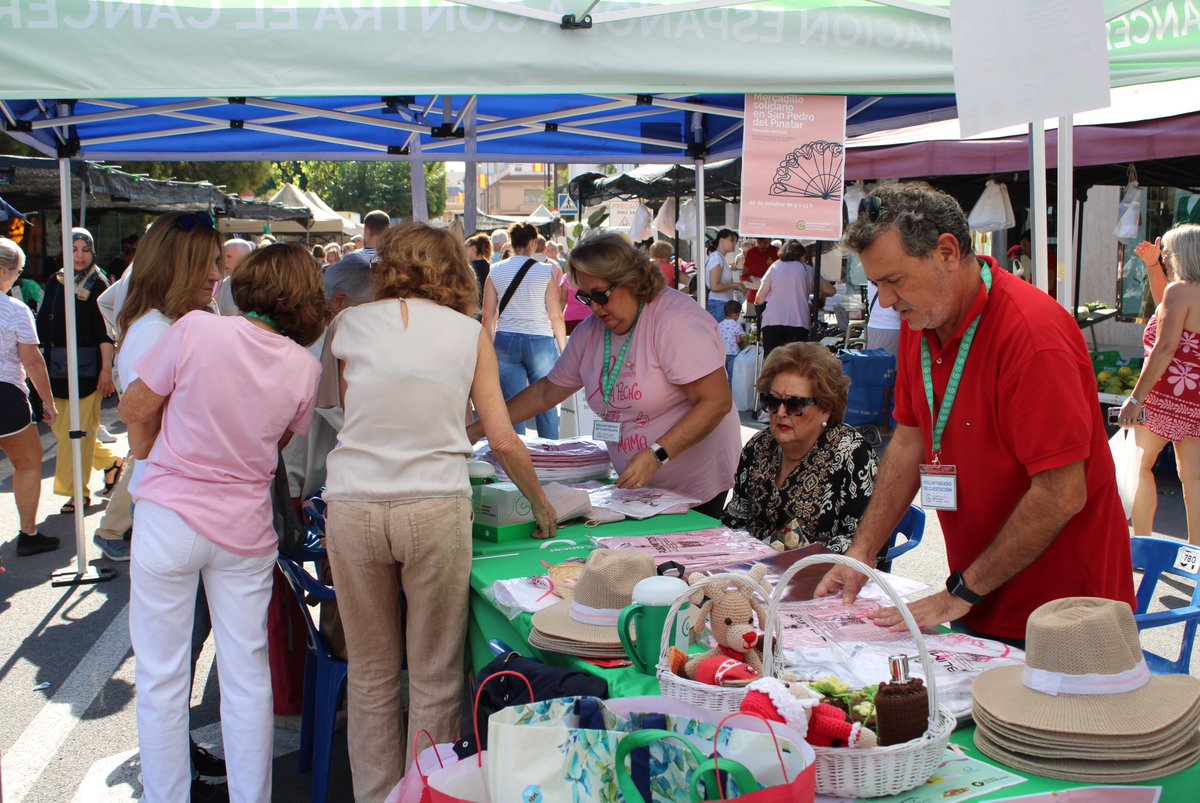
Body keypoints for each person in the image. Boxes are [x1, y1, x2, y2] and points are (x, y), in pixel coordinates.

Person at [815, 182, 1135, 645]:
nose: (885, 301)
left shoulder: (1032, 335)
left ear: (947, 252)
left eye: (895, 280)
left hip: (1067, 620)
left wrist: (960, 592)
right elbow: (909, 441)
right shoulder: (922, 320)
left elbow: (1062, 494)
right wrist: (861, 554)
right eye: (877, 284)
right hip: (979, 600)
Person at [319, 222, 556, 801]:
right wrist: (541, 502)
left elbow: (354, 416)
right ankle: (423, 792)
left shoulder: (348, 323)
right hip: (433, 503)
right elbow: (502, 439)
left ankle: (374, 795)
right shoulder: (465, 331)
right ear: (454, 270)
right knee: (434, 673)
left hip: (353, 502)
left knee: (372, 673)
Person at [119, 242, 326, 803]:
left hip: (170, 514)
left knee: (162, 679)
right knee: (246, 677)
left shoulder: (196, 330)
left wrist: (154, 447)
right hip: (246, 529)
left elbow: (135, 409)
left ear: (246, 283)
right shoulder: (305, 368)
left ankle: (168, 795)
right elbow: (277, 441)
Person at [474, 231, 741, 518]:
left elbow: (715, 402)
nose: (595, 307)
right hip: (636, 488)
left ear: (631, 280)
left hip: (694, 484)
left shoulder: (675, 319)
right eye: (586, 298)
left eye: (601, 295)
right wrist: (479, 429)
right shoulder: (591, 332)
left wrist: (657, 454)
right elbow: (546, 392)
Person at [93, 212, 224, 563]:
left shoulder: (180, 322)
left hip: (192, 506)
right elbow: (144, 441)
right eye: (201, 264)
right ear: (169, 266)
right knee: (178, 619)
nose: (215, 274)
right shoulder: (156, 330)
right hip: (174, 510)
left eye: (216, 261)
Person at [723, 342, 877, 553]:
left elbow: (862, 543)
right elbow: (735, 518)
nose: (781, 412)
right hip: (751, 573)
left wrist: (779, 553)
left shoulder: (854, 455)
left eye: (794, 404)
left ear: (826, 408)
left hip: (821, 577)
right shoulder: (758, 446)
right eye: (772, 401)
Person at [1120, 224, 1200, 546]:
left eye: (1166, 251)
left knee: (1140, 466)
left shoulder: (1178, 291)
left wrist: (1136, 399)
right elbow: (1165, 307)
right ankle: (1195, 557)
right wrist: (1153, 266)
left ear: (1181, 253)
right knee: (1193, 478)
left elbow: (1165, 348)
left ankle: (1143, 543)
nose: (1164, 255)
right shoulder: (1181, 292)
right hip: (1195, 398)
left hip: (1165, 394)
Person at [36, 227, 121, 514]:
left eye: (85, 249)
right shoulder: (56, 280)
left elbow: (104, 333)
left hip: (87, 372)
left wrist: (106, 370)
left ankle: (78, 493)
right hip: (57, 370)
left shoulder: (97, 284)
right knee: (65, 431)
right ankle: (111, 462)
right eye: (74, 249)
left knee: (80, 434)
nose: (80, 255)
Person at [0, 237, 59, 556]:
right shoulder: (14, 309)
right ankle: (28, 532)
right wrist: (47, 403)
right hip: (5, 393)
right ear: (3, 272)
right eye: (17, 271)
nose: (17, 277)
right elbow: (32, 361)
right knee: (27, 463)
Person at [482, 221, 566, 438]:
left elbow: (488, 316)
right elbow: (555, 314)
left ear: (511, 242)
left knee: (513, 405)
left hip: (505, 340)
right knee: (546, 401)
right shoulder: (545, 271)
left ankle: (516, 456)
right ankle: (550, 455)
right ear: (532, 242)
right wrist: (563, 346)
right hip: (540, 340)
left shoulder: (495, 270)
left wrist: (486, 347)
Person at [758, 239, 835, 357]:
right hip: (798, 321)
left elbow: (759, 298)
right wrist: (819, 296)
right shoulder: (807, 269)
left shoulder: (774, 267)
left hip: (772, 321)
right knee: (794, 363)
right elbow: (831, 290)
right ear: (803, 255)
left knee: (772, 362)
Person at [705, 228, 741, 322]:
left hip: (722, 304)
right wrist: (735, 285)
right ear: (721, 239)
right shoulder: (716, 258)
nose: (734, 244)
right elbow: (715, 287)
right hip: (718, 304)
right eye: (731, 240)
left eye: (736, 241)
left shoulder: (719, 258)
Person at [741, 237, 778, 314]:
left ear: (770, 241)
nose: (762, 245)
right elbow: (745, 270)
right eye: (759, 242)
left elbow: (781, 272)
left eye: (765, 242)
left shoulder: (776, 251)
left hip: (772, 293)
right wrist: (744, 277)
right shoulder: (751, 252)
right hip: (754, 292)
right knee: (752, 319)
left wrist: (773, 264)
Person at [865, 280, 902, 357]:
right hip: (891, 328)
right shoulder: (891, 274)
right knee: (888, 366)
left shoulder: (874, 274)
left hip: (874, 326)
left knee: (876, 365)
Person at [717, 300, 745, 387]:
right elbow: (738, 340)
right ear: (735, 314)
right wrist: (742, 347)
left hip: (721, 353)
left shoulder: (719, 324)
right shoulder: (737, 325)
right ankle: (732, 392)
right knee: (733, 375)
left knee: (723, 375)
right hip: (733, 353)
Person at [464, 232, 492, 309]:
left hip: (473, 308)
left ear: (474, 248)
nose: (463, 249)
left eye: (465, 246)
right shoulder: (490, 267)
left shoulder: (468, 268)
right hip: (487, 307)